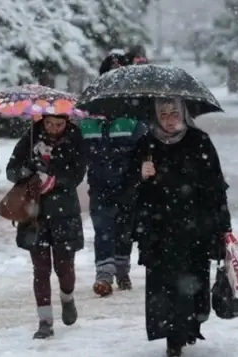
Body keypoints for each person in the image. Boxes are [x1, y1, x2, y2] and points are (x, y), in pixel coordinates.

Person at [122, 98, 230, 357]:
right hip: (159, 227)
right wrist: (140, 174)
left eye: (174, 113)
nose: (169, 118)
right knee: (164, 284)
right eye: (163, 114)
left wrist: (223, 225)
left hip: (195, 227)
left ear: (183, 113)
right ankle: (173, 336)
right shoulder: (146, 144)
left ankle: (188, 325)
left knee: (193, 281)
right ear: (156, 116)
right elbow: (126, 186)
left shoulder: (199, 141)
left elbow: (216, 185)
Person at [5, 115, 86, 339]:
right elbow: (11, 170)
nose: (53, 129)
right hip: (35, 213)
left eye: (59, 124)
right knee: (41, 269)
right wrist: (28, 170)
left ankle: (67, 297)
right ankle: (45, 320)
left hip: (64, 213)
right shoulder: (29, 138)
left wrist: (55, 180)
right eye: (49, 123)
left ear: (67, 122)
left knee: (65, 267)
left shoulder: (75, 138)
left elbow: (78, 173)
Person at [81, 52, 148, 296]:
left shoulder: (135, 118)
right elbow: (79, 151)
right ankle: (104, 276)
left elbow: (145, 150)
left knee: (124, 230)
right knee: (103, 229)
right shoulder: (87, 119)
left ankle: (122, 270)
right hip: (99, 184)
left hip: (128, 185)